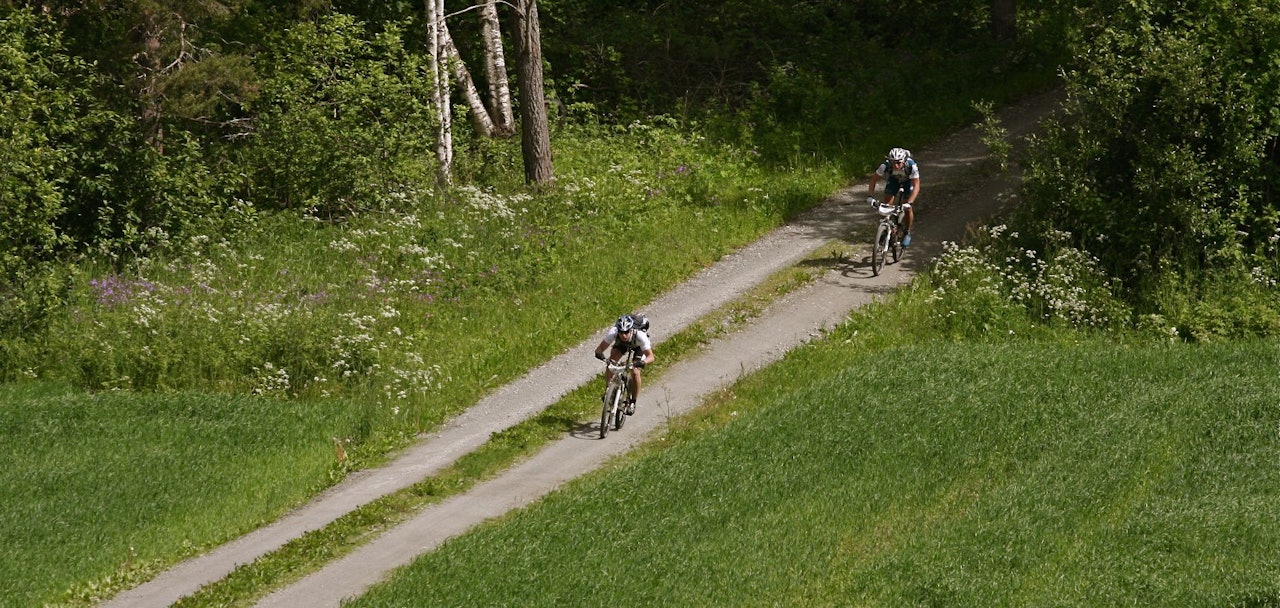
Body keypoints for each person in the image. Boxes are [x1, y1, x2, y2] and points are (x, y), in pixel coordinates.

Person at [593, 314, 655, 415]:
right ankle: (609, 391)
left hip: (638, 347)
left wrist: (642, 362)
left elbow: (651, 357)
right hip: (622, 345)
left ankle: (633, 402)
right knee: (611, 362)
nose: (624, 335)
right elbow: (599, 349)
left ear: (631, 330)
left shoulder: (640, 336)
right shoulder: (613, 332)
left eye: (626, 332)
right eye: (621, 332)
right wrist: (600, 355)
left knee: (635, 371)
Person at [866, 147, 921, 247]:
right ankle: (885, 228)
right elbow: (873, 180)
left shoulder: (911, 166)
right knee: (886, 204)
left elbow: (916, 185)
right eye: (893, 162)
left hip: (908, 182)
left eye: (898, 163)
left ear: (904, 161)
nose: (895, 165)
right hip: (894, 180)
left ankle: (907, 232)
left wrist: (910, 202)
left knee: (907, 208)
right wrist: (870, 196)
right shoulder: (885, 165)